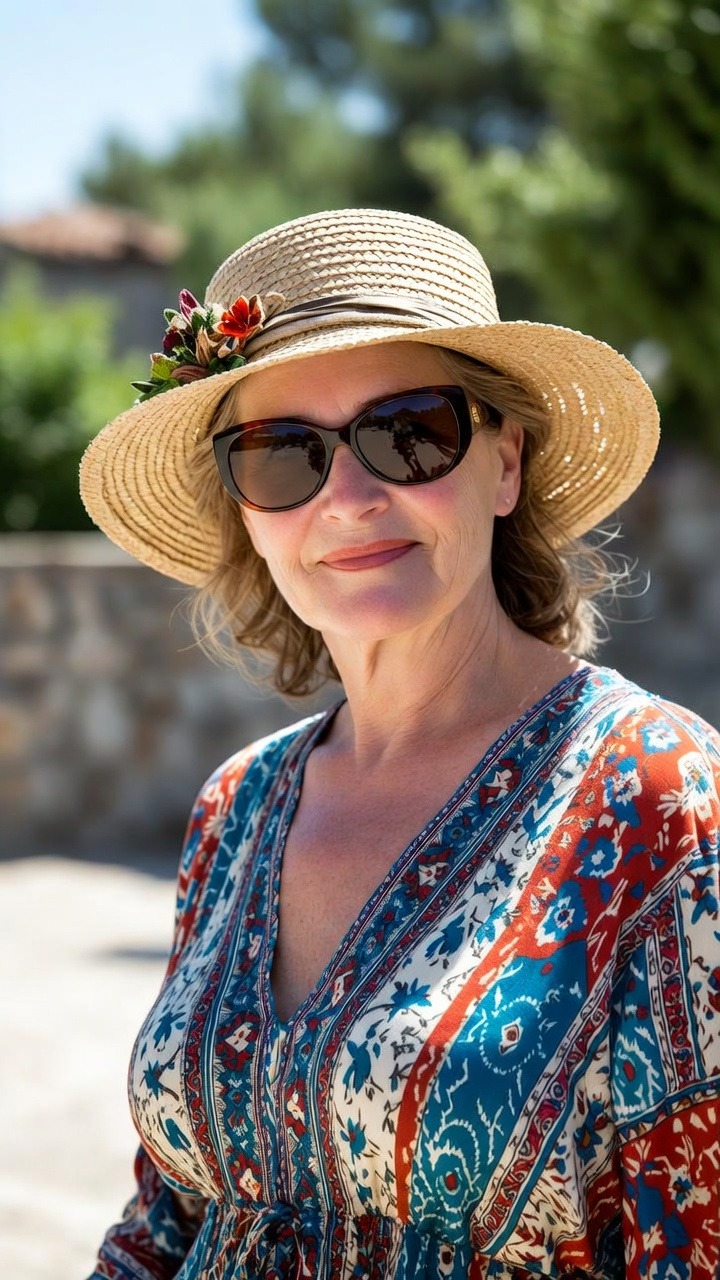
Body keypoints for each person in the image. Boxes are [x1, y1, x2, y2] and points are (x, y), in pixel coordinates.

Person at [79, 208, 720, 1280]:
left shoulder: (661, 799)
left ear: (505, 462)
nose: (349, 497)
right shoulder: (236, 807)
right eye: (283, 454)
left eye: (410, 430)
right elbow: (169, 1219)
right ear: (246, 511)